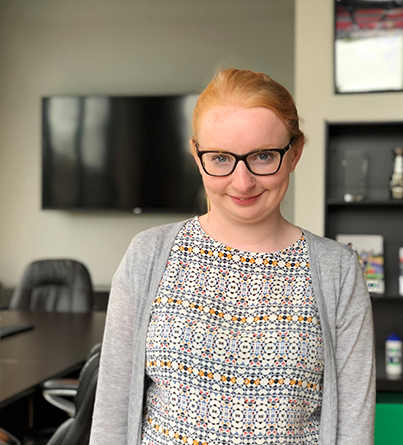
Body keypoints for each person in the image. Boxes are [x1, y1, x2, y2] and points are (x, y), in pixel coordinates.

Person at [89, 68, 375, 445]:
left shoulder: (337, 270)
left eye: (263, 156)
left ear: (295, 154)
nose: (243, 182)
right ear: (197, 155)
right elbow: (112, 412)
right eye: (221, 158)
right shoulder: (149, 254)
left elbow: (354, 426)